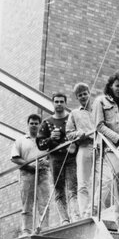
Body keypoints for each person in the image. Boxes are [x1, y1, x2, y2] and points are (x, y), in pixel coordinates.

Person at [92, 71, 119, 233]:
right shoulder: (100, 101)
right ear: (110, 86)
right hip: (110, 146)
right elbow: (99, 126)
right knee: (118, 174)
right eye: (117, 86)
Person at [36, 92, 76, 225]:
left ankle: (75, 216)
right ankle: (64, 219)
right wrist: (50, 138)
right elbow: (40, 144)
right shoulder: (47, 122)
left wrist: (74, 144)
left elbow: (79, 135)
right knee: (59, 190)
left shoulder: (72, 118)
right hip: (55, 159)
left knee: (73, 188)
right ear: (53, 103)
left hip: (71, 158)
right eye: (56, 101)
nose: (59, 104)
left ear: (65, 103)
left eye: (61, 101)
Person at [11, 113, 53, 235]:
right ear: (28, 125)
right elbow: (14, 158)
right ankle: (26, 230)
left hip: (43, 174)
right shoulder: (21, 140)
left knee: (44, 203)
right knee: (27, 204)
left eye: (36, 123)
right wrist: (30, 165)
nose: (34, 125)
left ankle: (44, 229)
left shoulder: (45, 140)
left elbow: (52, 156)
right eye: (32, 123)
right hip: (27, 174)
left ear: (40, 125)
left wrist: (47, 162)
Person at [67, 82, 96, 219]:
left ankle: (94, 209)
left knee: (100, 181)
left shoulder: (97, 110)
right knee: (83, 183)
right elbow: (69, 133)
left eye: (85, 94)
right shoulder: (74, 113)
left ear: (89, 93)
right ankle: (84, 213)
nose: (83, 97)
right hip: (85, 147)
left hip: (100, 147)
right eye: (80, 95)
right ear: (77, 98)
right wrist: (79, 134)